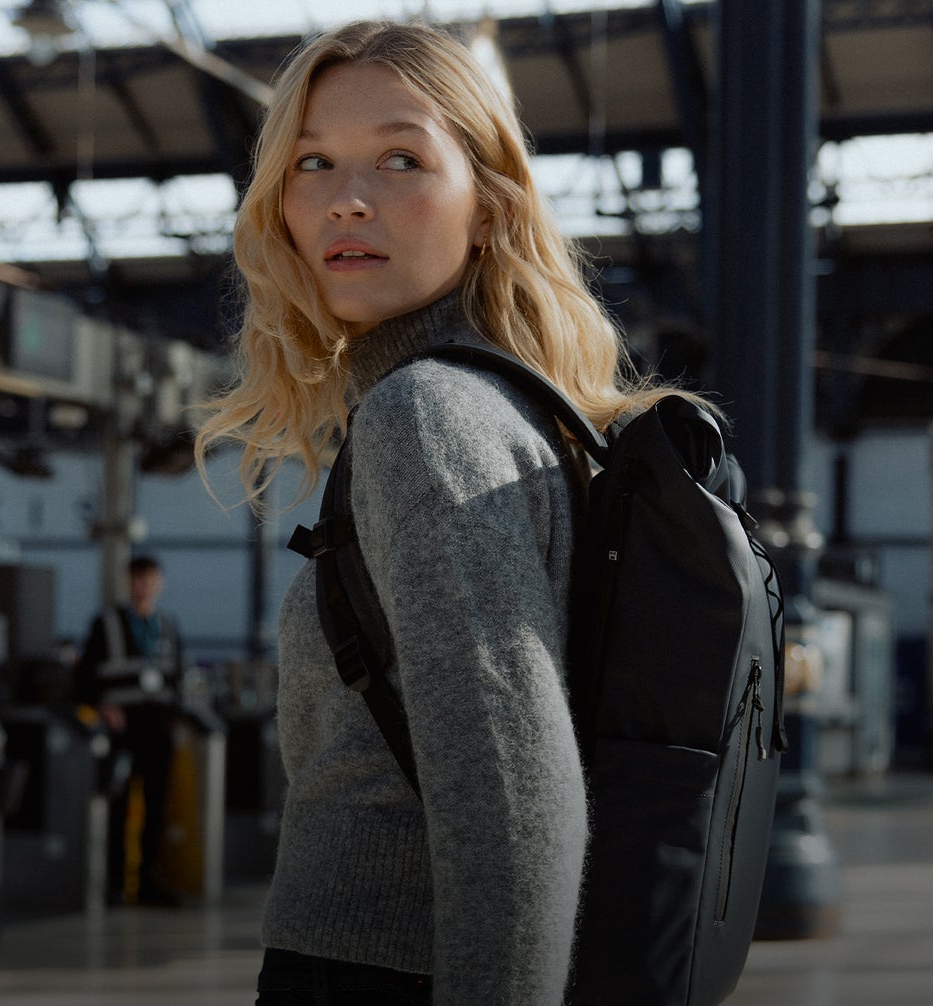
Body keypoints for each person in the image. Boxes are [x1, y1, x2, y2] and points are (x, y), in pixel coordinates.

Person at [193, 20, 697, 1003]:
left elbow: (511, 792)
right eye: (311, 163)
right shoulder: (512, 408)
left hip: (374, 973)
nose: (346, 197)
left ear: (486, 208)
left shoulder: (425, 417)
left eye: (400, 158)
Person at [76, 556, 185, 906]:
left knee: (156, 808)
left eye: (150, 579)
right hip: (122, 730)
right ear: (128, 583)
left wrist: (175, 718)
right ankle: (114, 883)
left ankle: (148, 884)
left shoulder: (167, 624)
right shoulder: (105, 623)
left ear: (161, 584)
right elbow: (83, 679)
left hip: (158, 728)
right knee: (118, 805)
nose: (144, 586)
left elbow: (177, 678)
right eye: (138, 579)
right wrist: (103, 706)